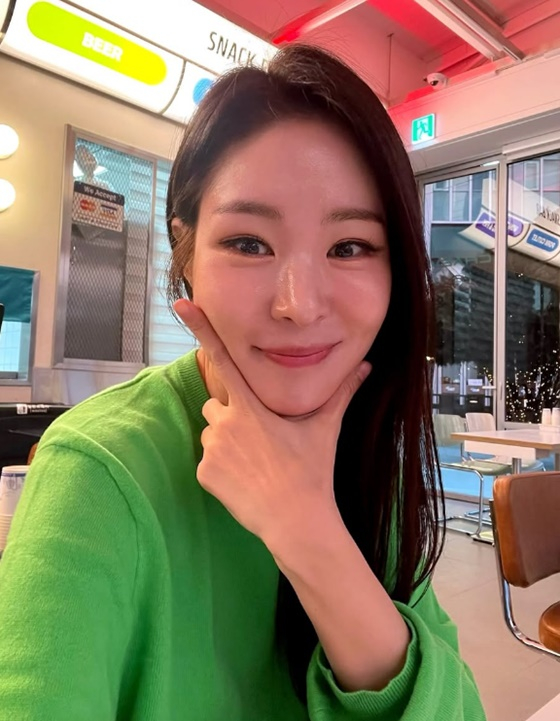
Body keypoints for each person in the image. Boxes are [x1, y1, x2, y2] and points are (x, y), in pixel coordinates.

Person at [0, 45, 486, 720]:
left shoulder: (370, 448)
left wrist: (307, 526)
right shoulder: (98, 470)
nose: (298, 305)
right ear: (185, 252)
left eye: (349, 247)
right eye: (249, 243)